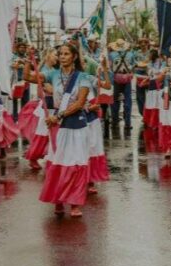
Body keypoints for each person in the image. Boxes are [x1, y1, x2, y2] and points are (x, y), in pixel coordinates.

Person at [37, 43, 91, 217]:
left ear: (74, 57)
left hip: (77, 125)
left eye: (66, 54)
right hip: (58, 127)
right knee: (59, 163)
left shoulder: (83, 77)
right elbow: (31, 77)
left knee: (77, 164)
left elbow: (79, 103)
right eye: (60, 54)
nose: (62, 57)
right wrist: (29, 62)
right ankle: (58, 199)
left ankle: (75, 203)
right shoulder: (52, 74)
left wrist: (58, 116)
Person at [22, 48, 58, 170]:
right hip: (49, 107)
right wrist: (28, 59)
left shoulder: (56, 70)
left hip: (58, 107)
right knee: (42, 135)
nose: (58, 57)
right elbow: (26, 76)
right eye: (56, 55)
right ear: (48, 55)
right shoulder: (47, 72)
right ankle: (33, 157)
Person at [85, 56, 112, 194]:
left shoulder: (90, 79)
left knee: (92, 148)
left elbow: (107, 85)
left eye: (85, 63)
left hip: (92, 119)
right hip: (77, 118)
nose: (83, 65)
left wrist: (105, 70)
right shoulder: (68, 78)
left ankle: (90, 180)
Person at [109, 38, 135, 134]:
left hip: (116, 79)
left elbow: (110, 68)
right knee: (127, 101)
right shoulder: (131, 54)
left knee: (114, 102)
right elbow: (133, 66)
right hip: (127, 79)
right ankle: (127, 123)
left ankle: (115, 121)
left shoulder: (111, 55)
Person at [142, 49, 164, 127]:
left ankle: (156, 121)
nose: (148, 56)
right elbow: (150, 74)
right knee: (151, 103)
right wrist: (146, 80)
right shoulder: (149, 64)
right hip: (151, 84)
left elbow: (160, 74)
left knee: (156, 103)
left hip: (158, 85)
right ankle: (150, 121)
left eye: (149, 54)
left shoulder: (161, 62)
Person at [11, 41, 30, 122]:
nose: (22, 49)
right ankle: (14, 118)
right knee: (14, 101)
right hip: (16, 82)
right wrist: (19, 63)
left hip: (26, 82)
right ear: (17, 48)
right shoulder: (13, 57)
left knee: (25, 101)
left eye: (24, 47)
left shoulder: (27, 58)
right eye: (20, 47)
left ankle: (23, 118)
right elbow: (12, 66)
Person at [132, 37, 151, 117]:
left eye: (145, 43)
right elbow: (134, 64)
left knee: (151, 96)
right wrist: (139, 65)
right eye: (141, 43)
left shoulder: (151, 53)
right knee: (140, 97)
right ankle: (143, 114)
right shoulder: (136, 53)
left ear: (147, 44)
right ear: (139, 45)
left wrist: (144, 64)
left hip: (149, 77)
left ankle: (150, 115)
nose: (143, 45)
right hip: (139, 77)